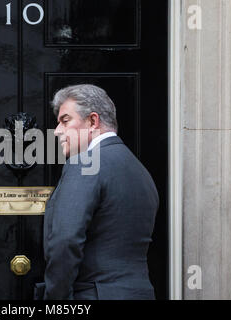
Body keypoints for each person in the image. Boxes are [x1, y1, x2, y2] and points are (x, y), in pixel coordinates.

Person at [39, 84, 159, 300]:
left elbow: (65, 241)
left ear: (93, 121)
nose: (57, 131)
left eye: (65, 120)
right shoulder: (140, 171)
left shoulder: (85, 163)